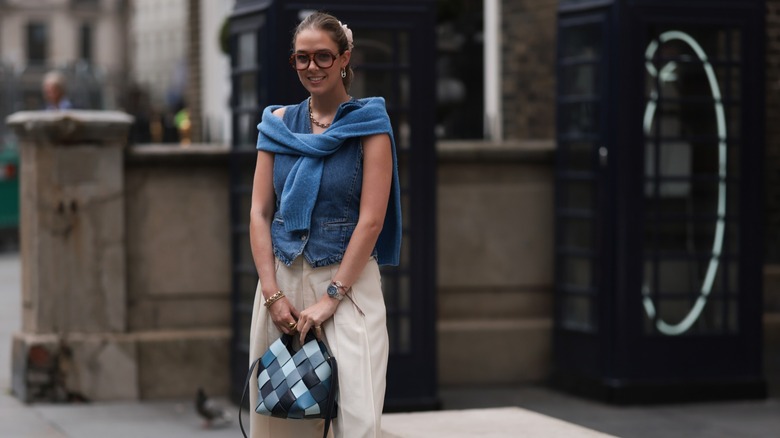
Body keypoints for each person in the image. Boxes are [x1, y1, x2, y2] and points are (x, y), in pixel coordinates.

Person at [247, 11, 401, 438]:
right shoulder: (275, 125)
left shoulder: (370, 125)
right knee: (282, 425)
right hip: (282, 293)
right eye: (302, 58)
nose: (312, 67)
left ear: (344, 57)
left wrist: (332, 296)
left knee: (359, 421)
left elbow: (371, 220)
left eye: (323, 57)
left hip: (347, 290)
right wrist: (272, 294)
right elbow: (260, 213)